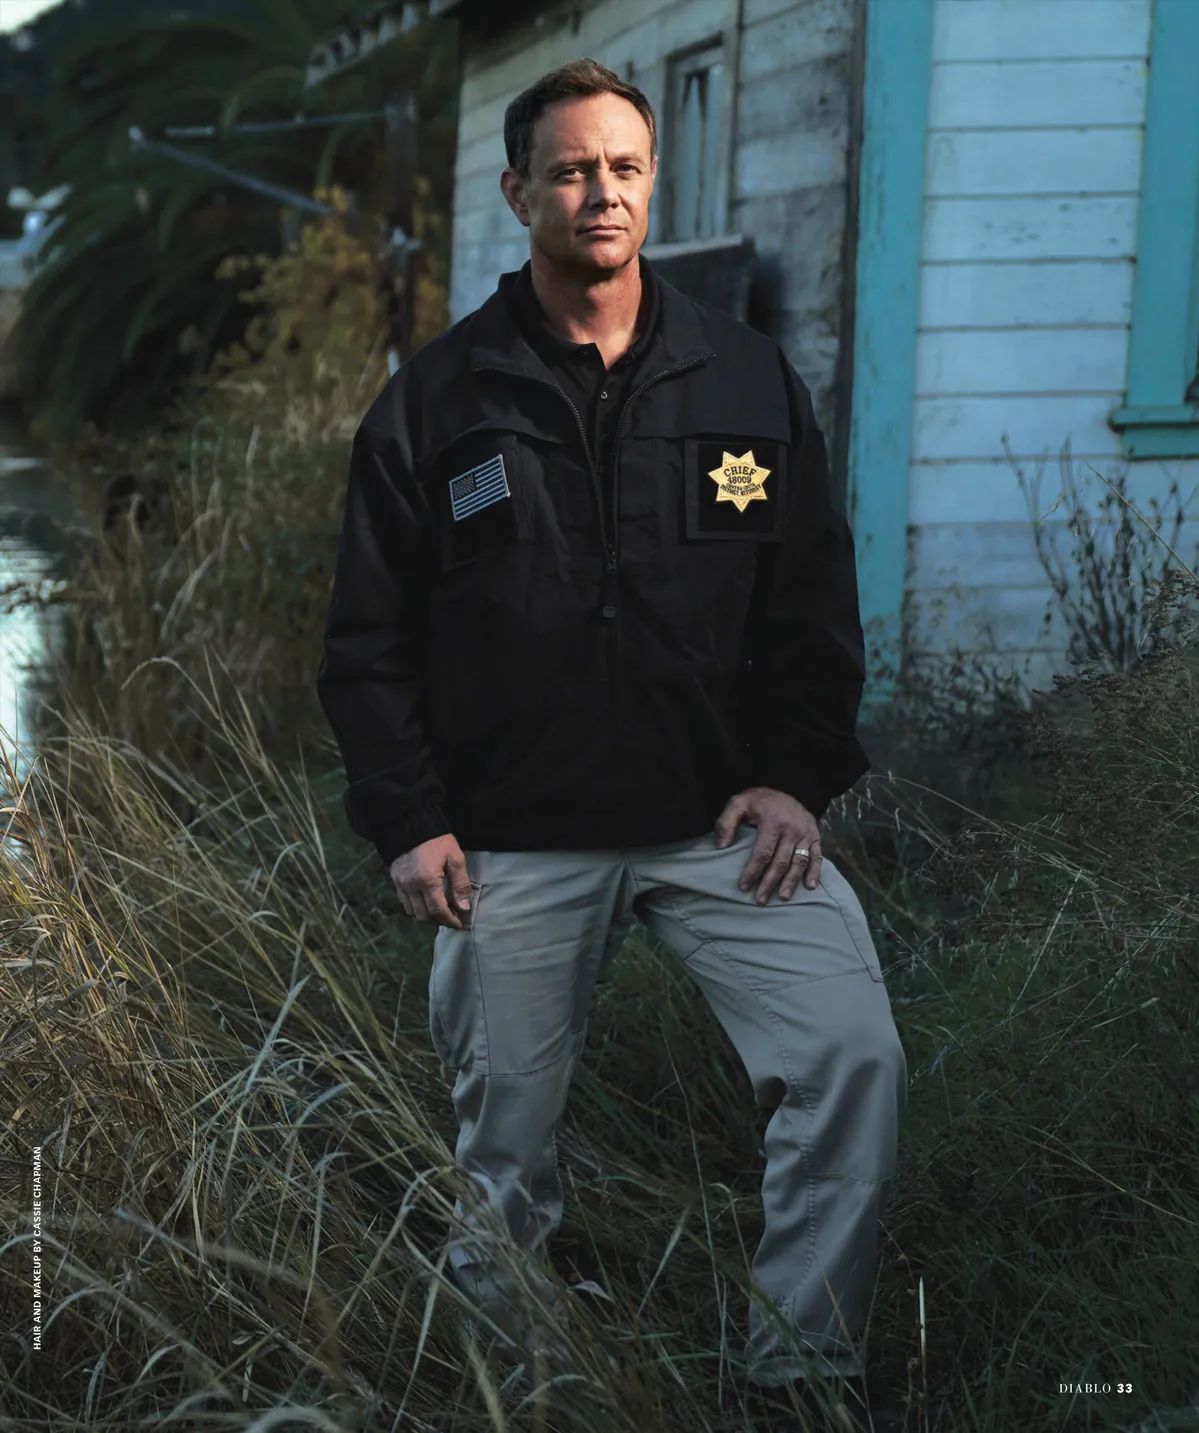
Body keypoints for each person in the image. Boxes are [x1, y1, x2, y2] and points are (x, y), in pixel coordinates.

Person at [316, 56, 907, 1429]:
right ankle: (509, 1386)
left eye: (626, 168)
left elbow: (811, 607)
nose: (603, 193)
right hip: (513, 839)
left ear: (653, 183)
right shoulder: (435, 402)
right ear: (517, 191)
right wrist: (410, 819)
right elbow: (366, 642)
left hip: (721, 827)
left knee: (852, 1058)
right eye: (572, 170)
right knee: (502, 1151)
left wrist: (793, 778)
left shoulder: (745, 379)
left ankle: (800, 1374)